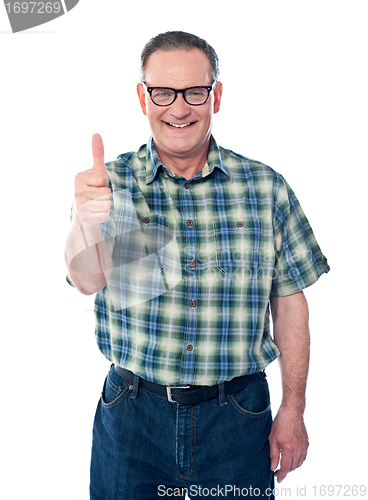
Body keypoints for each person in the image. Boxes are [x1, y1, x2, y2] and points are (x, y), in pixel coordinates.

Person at [64, 31, 330, 500]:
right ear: (143, 97)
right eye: (163, 92)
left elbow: (290, 305)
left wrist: (294, 407)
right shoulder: (110, 185)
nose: (179, 108)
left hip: (237, 417)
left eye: (195, 91)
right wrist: (86, 222)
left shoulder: (265, 188)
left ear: (217, 96)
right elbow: (86, 282)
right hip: (132, 417)